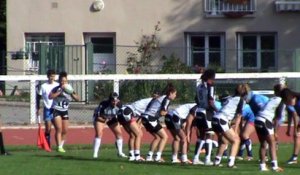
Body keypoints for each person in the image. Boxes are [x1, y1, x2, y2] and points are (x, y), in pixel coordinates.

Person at [212, 84, 248, 168]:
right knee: (236, 140)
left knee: (224, 141)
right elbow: (238, 117)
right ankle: (231, 163)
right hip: (222, 120)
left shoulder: (230, 98)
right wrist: (235, 131)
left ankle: (217, 161)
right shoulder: (241, 100)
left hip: (215, 119)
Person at [142, 83, 177, 162]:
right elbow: (162, 113)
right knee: (165, 137)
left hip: (145, 118)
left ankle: (149, 157)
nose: (175, 96)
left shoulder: (162, 97)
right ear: (170, 93)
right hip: (150, 118)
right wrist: (169, 113)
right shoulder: (167, 99)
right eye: (175, 94)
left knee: (157, 137)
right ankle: (157, 157)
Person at [254, 84, 285, 172]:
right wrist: (275, 132)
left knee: (263, 144)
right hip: (264, 120)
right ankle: (274, 166)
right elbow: (277, 118)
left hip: (257, 119)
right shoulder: (281, 101)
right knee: (272, 143)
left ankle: (262, 166)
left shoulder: (272, 99)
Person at [117, 94, 157, 161]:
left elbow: (141, 116)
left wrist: (139, 124)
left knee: (132, 135)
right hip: (127, 112)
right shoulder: (152, 102)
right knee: (139, 134)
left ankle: (131, 156)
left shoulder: (148, 101)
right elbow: (145, 114)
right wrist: (139, 125)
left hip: (121, 113)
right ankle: (137, 156)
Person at [49, 71, 80, 153]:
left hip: (65, 111)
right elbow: (50, 96)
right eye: (62, 81)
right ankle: (59, 147)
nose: (63, 83)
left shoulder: (69, 89)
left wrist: (72, 94)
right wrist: (59, 92)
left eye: (65, 81)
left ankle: (61, 145)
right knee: (59, 128)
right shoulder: (56, 88)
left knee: (65, 130)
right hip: (56, 110)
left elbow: (78, 98)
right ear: (59, 81)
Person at [193, 69, 219, 165]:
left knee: (201, 136)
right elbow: (211, 101)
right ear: (210, 78)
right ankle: (207, 159)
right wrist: (217, 111)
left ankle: (196, 158)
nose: (214, 80)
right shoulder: (210, 86)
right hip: (207, 112)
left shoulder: (199, 86)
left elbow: (196, 99)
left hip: (199, 111)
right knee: (210, 134)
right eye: (213, 78)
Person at [92, 92, 127, 158]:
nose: (115, 103)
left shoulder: (120, 104)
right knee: (99, 133)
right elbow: (98, 116)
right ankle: (95, 154)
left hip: (111, 117)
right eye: (113, 101)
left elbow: (121, 115)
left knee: (119, 133)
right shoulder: (104, 104)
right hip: (101, 118)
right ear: (110, 100)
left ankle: (120, 152)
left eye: (116, 101)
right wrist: (105, 120)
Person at [36, 69, 59, 148]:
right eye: (51, 76)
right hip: (47, 109)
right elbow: (38, 97)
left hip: (56, 109)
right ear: (48, 77)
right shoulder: (43, 86)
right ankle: (47, 144)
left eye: (53, 76)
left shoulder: (57, 85)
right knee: (48, 128)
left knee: (58, 128)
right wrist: (38, 107)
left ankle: (59, 145)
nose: (52, 78)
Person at [280, 88, 300, 164]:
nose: (287, 104)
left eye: (288, 101)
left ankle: (294, 158)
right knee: (298, 136)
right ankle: (294, 157)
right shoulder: (295, 103)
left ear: (292, 97)